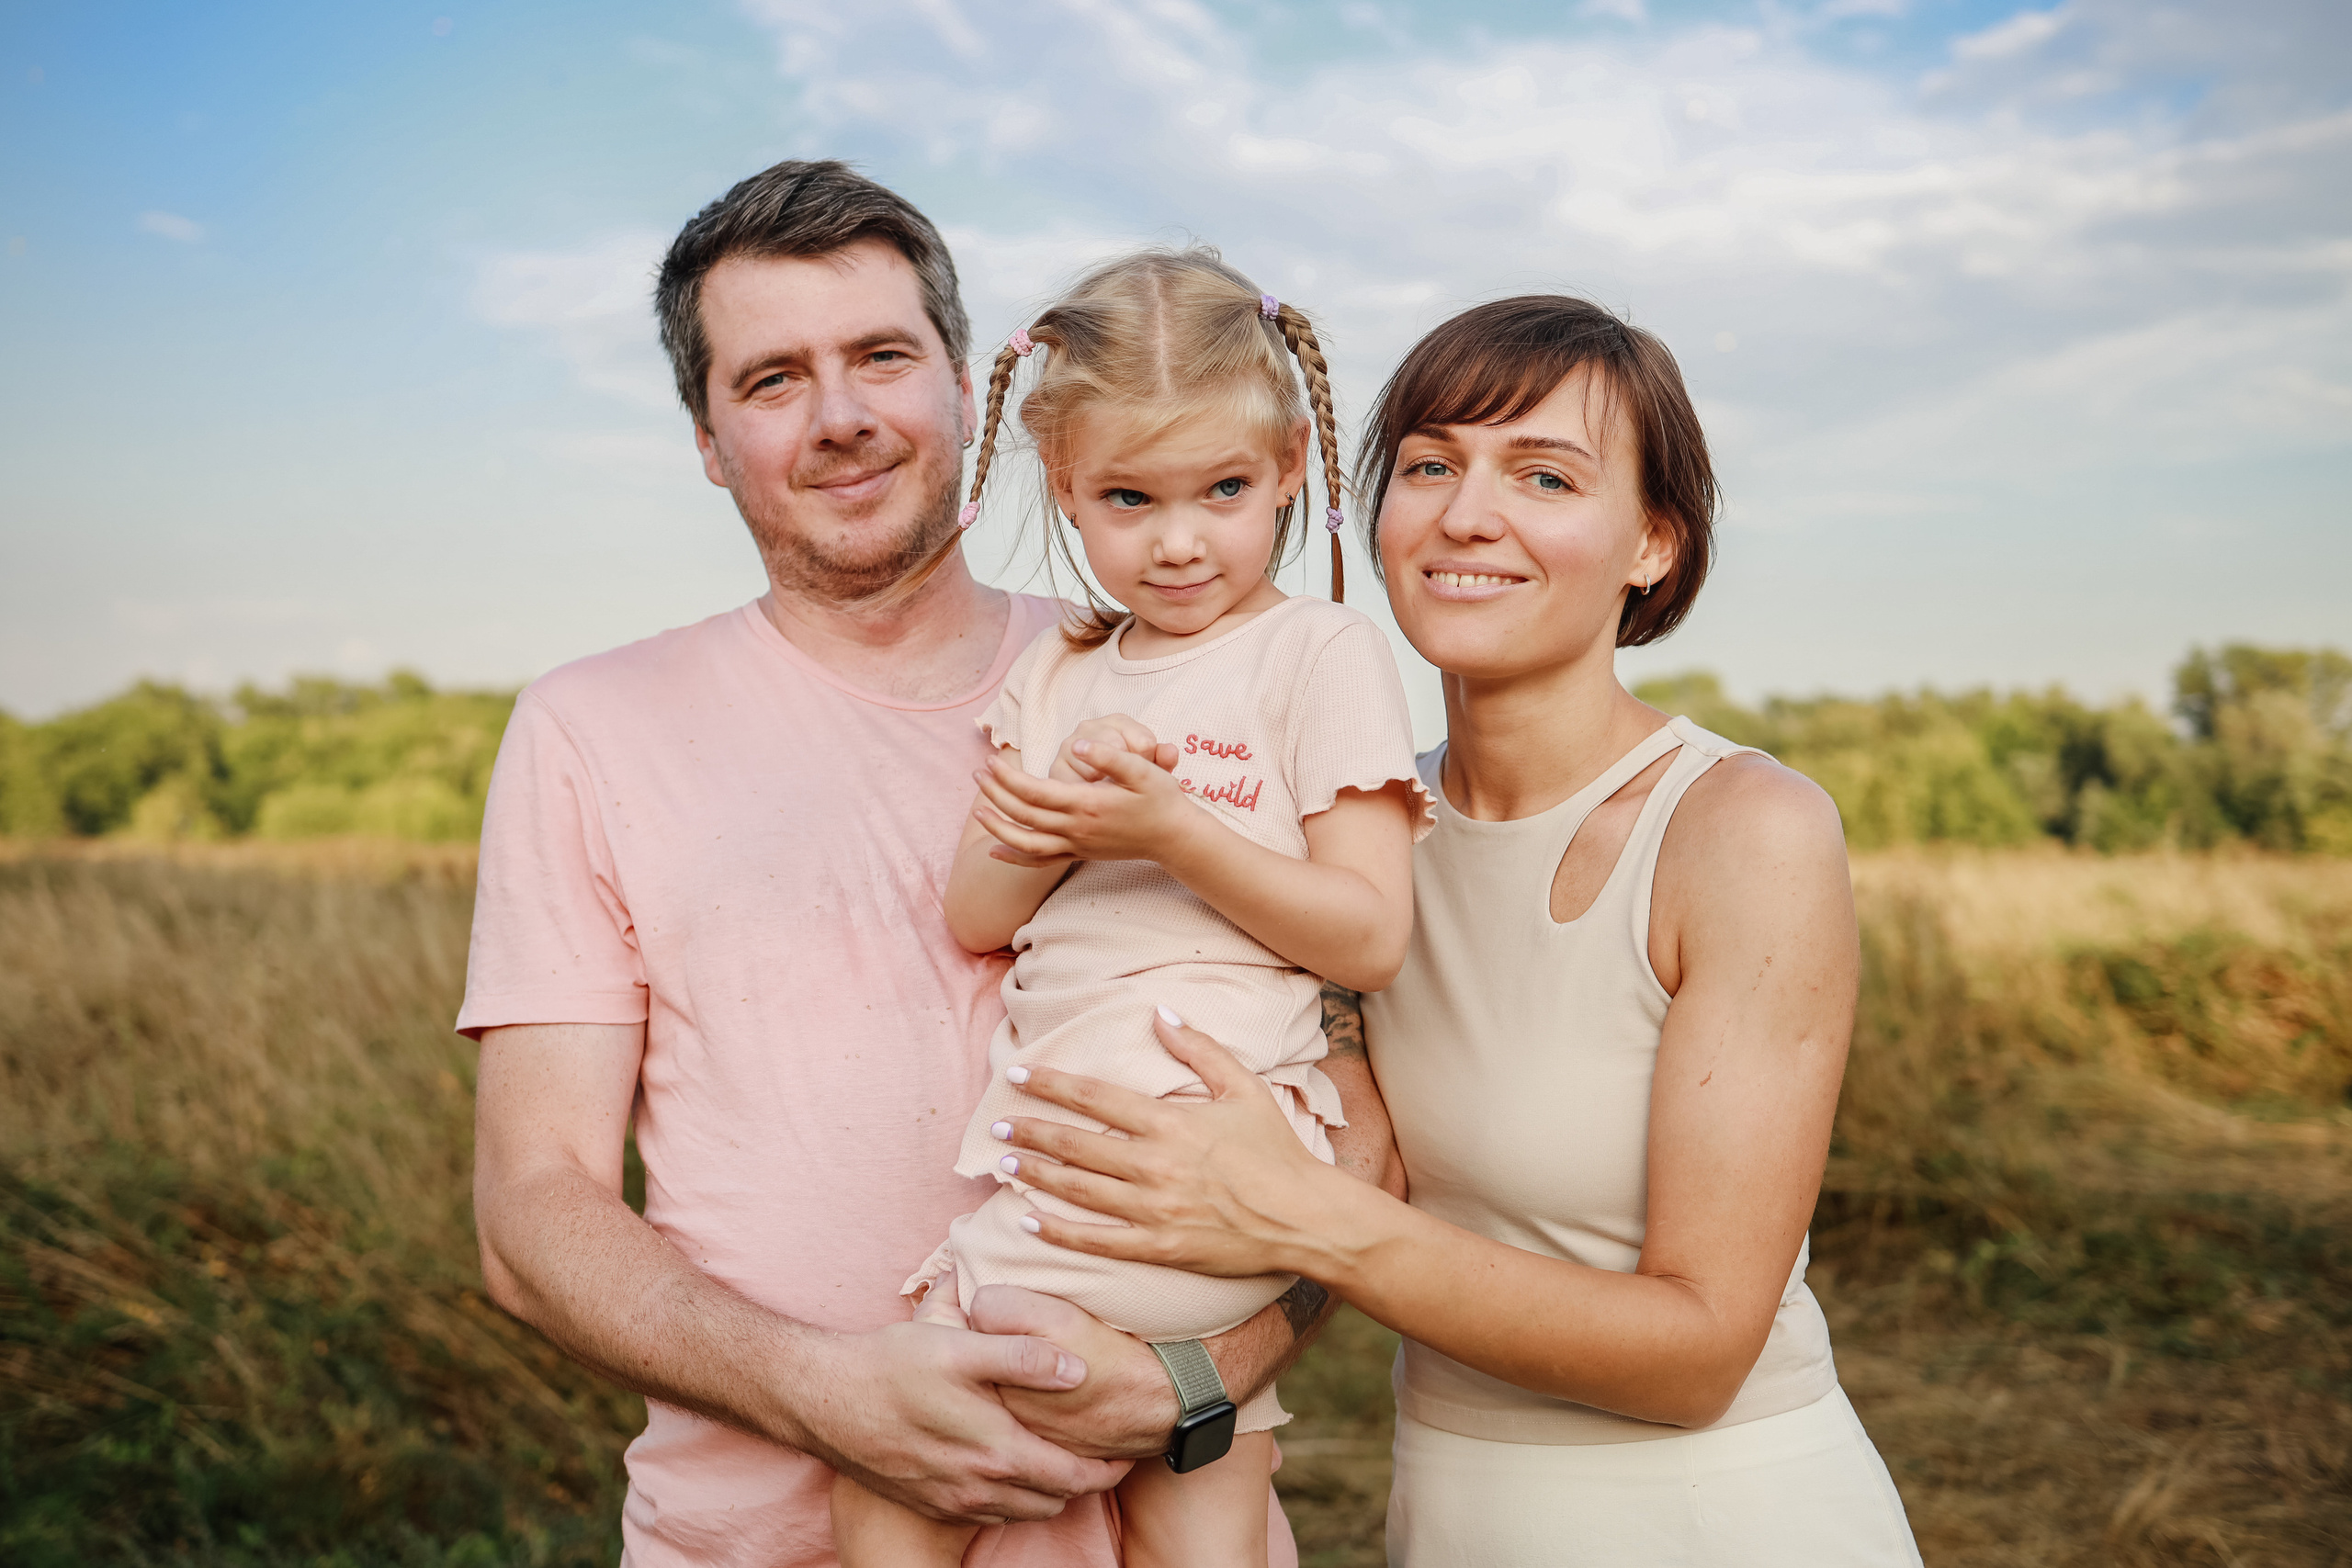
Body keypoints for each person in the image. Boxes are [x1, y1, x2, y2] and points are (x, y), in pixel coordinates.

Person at [459, 161, 1401, 1567]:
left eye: (882, 357)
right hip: (754, 1538)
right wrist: (829, 1396)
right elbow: (530, 1214)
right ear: (709, 438)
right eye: (772, 380)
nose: (841, 417)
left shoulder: (1184, 661)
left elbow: (1364, 1116)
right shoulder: (590, 727)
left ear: (966, 388)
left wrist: (1202, 1373)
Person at [982, 296, 1927, 1563]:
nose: (1466, 513)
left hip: (1718, 1516)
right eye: (1430, 465)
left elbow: (1701, 1350)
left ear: (1653, 542)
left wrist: (1299, 1218)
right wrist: (1193, 1366)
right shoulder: (1333, 852)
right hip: (1449, 1514)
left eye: (1543, 475)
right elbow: (1324, 1185)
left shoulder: (1745, 832)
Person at [827, 250, 1427, 1567]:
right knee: (1139, 1516)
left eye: (1222, 491)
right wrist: (1045, 825)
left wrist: (1173, 833)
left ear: (1284, 474)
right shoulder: (1063, 674)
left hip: (1202, 1192)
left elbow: (1370, 934)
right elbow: (979, 913)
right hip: (1056, 1194)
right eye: (1128, 497)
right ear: (1069, 493)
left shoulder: (1314, 652)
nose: (1177, 537)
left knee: (905, 1494)